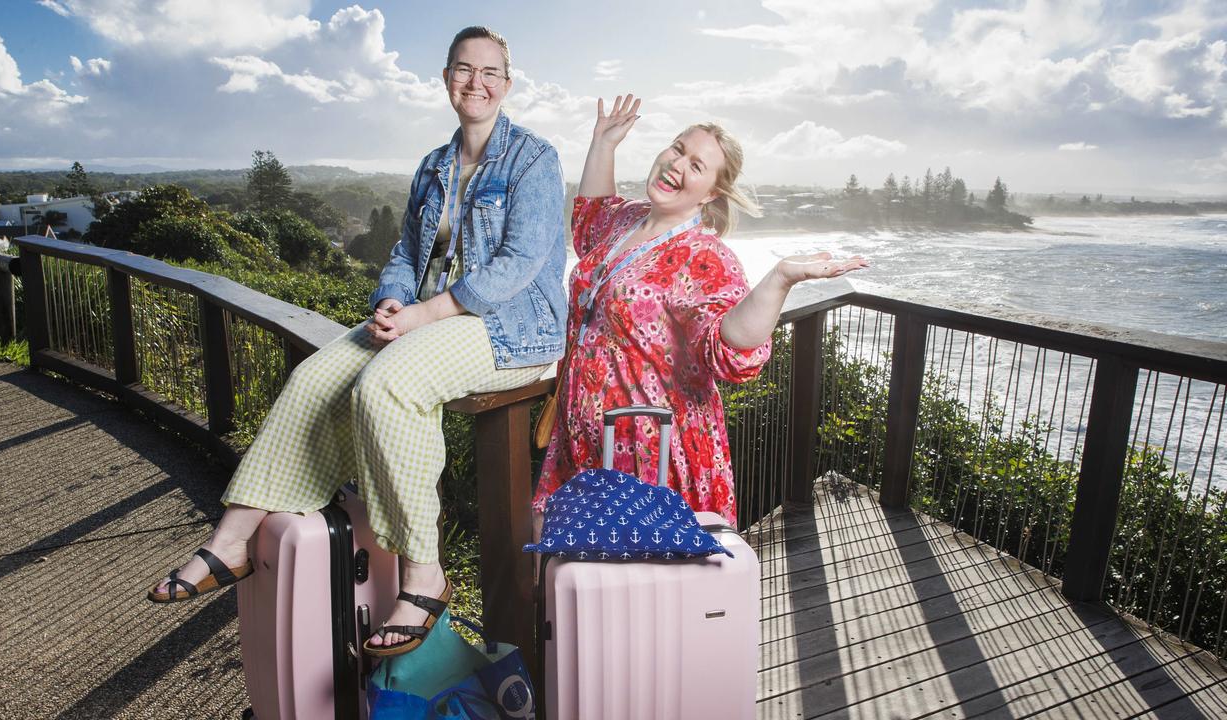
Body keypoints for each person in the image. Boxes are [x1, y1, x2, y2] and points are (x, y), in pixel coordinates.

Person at [148, 26, 567, 658]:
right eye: (462, 68)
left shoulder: (534, 158)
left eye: (489, 72)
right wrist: (390, 303)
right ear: (446, 77)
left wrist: (422, 316)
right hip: (429, 317)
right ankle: (234, 537)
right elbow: (404, 254)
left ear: (507, 84)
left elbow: (518, 264)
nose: (475, 82)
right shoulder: (433, 165)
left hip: (510, 327)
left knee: (388, 384)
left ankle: (425, 573)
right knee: (316, 377)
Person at [534, 94, 866, 526]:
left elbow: (729, 347)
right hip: (584, 439)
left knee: (641, 588)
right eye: (678, 149)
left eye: (696, 165)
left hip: (651, 456)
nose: (678, 164)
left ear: (711, 192)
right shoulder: (624, 221)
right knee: (576, 578)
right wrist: (603, 143)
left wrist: (780, 278)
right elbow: (589, 220)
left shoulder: (705, 257)